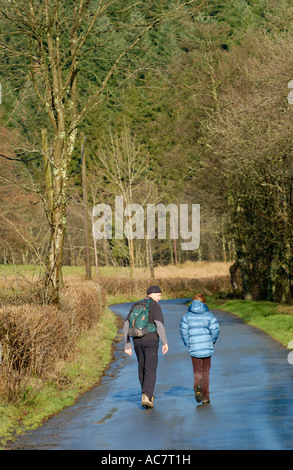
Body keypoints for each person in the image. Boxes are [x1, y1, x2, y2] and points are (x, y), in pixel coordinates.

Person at [123, 285, 168, 408]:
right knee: (151, 367)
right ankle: (147, 395)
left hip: (137, 340)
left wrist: (127, 343)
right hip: (151, 339)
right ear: (153, 294)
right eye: (159, 295)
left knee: (141, 366)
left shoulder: (136, 305)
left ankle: (145, 392)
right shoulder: (154, 305)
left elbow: (126, 324)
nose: (159, 298)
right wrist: (164, 342)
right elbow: (159, 324)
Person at [180, 294, 219, 404]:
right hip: (207, 347)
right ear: (204, 303)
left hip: (194, 347)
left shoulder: (187, 316)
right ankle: (205, 396)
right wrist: (212, 341)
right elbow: (215, 330)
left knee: (197, 372)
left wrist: (188, 343)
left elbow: (183, 332)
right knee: (206, 372)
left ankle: (197, 387)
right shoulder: (209, 315)